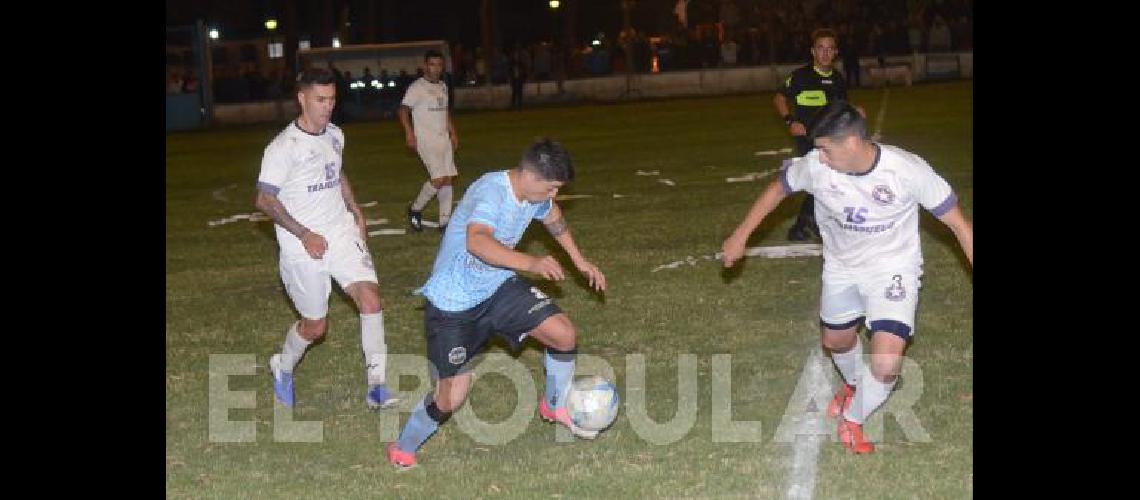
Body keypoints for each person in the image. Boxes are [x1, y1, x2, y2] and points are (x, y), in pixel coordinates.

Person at [722, 102, 972, 454]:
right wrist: (741, 234)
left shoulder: (908, 171)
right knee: (836, 341)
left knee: (886, 362)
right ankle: (856, 384)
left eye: (824, 148)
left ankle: (853, 420)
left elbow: (960, 225)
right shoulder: (817, 166)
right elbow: (778, 188)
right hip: (841, 267)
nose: (818, 157)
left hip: (892, 268)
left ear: (852, 142)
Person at [386, 138, 608, 468]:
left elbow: (552, 215)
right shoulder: (492, 192)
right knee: (450, 399)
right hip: (454, 306)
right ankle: (403, 446)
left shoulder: (535, 195)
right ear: (531, 177)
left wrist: (579, 260)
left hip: (498, 288)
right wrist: (531, 264)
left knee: (564, 335)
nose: (553, 195)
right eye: (551, 188)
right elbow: (477, 242)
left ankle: (555, 404)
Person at [255, 68, 399, 412]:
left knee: (370, 300)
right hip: (301, 243)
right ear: (302, 98)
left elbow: (336, 170)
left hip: (340, 230)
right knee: (316, 326)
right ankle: (283, 366)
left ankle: (377, 386)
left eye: (332, 99)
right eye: (321, 99)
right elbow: (263, 200)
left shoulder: (335, 134)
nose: (328, 106)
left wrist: (355, 207)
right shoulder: (283, 147)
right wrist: (304, 234)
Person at [773, 28, 863, 241]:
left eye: (829, 49)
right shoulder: (800, 76)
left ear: (835, 52)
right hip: (807, 138)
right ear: (813, 51)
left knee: (825, 180)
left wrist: (854, 111)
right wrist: (790, 120)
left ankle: (803, 225)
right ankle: (811, 224)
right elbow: (779, 98)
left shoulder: (838, 79)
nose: (825, 53)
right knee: (822, 178)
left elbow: (840, 108)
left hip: (831, 138)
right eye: (821, 48)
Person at [399, 49, 460, 233]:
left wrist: (453, 133)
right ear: (425, 66)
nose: (436, 68)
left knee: (448, 179)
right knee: (438, 179)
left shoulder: (442, 86)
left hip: (443, 138)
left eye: (439, 65)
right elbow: (402, 110)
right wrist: (409, 133)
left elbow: (445, 111)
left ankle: (445, 223)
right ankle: (415, 209)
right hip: (426, 139)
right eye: (432, 64)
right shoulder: (417, 87)